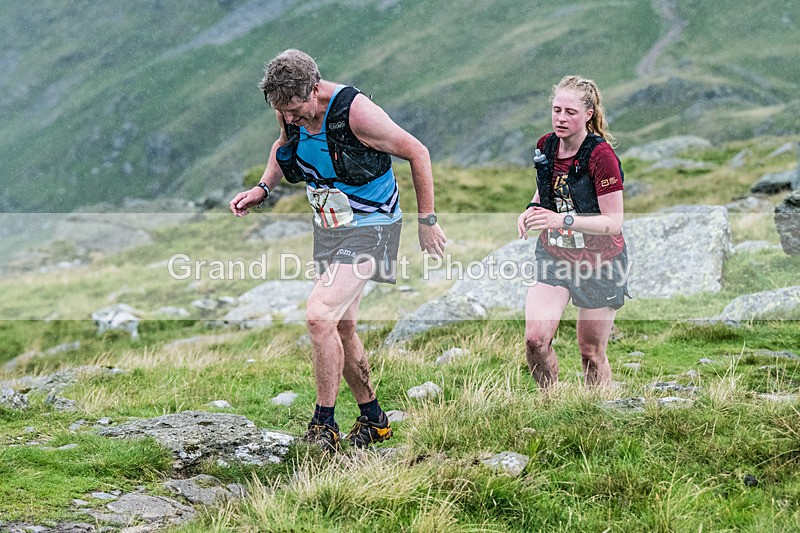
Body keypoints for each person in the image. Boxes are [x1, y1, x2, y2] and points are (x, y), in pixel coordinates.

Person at [230, 50, 446, 452]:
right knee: (341, 326)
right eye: (283, 112)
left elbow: (418, 152)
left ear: (315, 88)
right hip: (330, 227)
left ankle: (323, 427)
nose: (290, 119)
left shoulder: (358, 113)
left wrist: (427, 220)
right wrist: (263, 188)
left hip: (372, 226)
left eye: (295, 110)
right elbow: (283, 146)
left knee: (318, 315)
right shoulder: (288, 109)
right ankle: (374, 420)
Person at [517, 75, 627, 388]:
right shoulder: (545, 145)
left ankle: (597, 414)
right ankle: (551, 404)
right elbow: (549, 189)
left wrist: (561, 221)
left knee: (591, 352)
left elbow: (613, 222)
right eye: (556, 110)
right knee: (536, 340)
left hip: (600, 260)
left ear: (589, 114)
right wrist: (532, 208)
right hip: (555, 253)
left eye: (570, 112)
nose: (561, 118)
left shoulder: (601, 156)